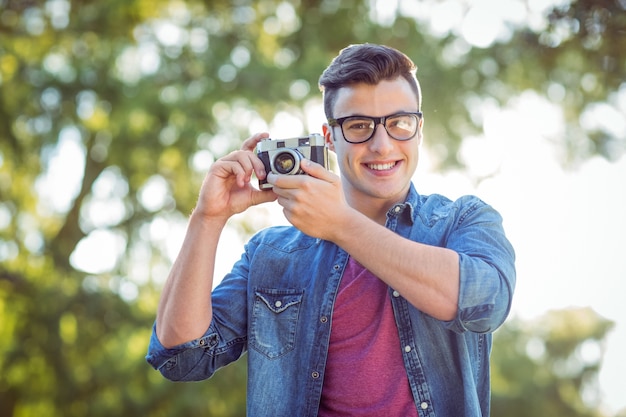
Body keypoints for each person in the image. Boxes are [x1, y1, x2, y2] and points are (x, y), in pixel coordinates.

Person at [146, 43, 516, 417]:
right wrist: (207, 219)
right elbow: (182, 355)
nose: (381, 144)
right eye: (359, 126)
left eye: (399, 123)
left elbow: (484, 303)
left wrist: (340, 224)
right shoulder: (272, 254)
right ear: (329, 136)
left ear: (419, 129)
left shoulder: (463, 220)